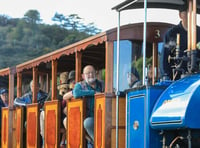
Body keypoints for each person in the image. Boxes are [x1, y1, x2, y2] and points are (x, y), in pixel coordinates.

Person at [160, 6, 200, 80]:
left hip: (197, 77)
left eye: (191, 13)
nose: (189, 15)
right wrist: (166, 77)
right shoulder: (171, 34)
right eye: (187, 13)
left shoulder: (199, 32)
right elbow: (164, 58)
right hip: (177, 78)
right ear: (180, 15)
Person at [72, 65, 104, 145]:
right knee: (88, 122)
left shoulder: (102, 84)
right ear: (83, 76)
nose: (90, 75)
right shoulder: (80, 85)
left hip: (103, 115)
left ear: (96, 73)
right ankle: (98, 143)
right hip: (90, 116)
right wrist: (94, 93)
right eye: (88, 73)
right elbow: (76, 93)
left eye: (92, 72)